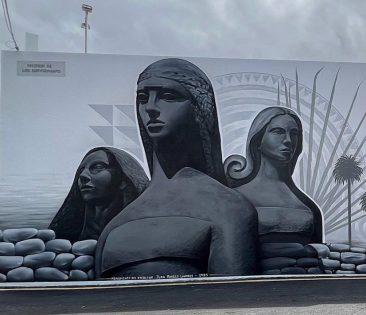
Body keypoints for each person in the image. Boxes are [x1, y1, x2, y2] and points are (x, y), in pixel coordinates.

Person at [95, 58, 258, 278]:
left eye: (168, 96)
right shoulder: (118, 223)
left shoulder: (229, 208)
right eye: (143, 98)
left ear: (199, 108)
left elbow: (230, 300)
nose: (150, 107)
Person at [225, 106, 324, 245]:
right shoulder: (234, 198)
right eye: (278, 132)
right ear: (258, 139)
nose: (288, 140)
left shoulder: (309, 207)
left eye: (294, 133)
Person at [49, 147, 149, 242]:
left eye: (98, 167)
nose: (83, 175)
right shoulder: (64, 237)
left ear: (123, 179)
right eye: (81, 170)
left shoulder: (143, 233)